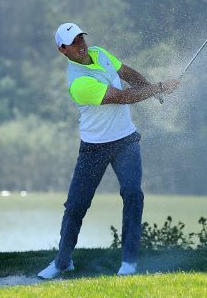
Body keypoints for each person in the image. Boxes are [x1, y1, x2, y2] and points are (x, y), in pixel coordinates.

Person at [38, 22, 180, 279]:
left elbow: (129, 74)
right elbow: (121, 97)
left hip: (126, 140)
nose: (80, 44)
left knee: (133, 193)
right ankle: (62, 262)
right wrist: (158, 88)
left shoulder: (101, 54)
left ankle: (129, 262)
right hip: (94, 148)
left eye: (81, 38)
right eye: (74, 42)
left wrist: (149, 87)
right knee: (76, 206)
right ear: (63, 50)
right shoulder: (78, 82)